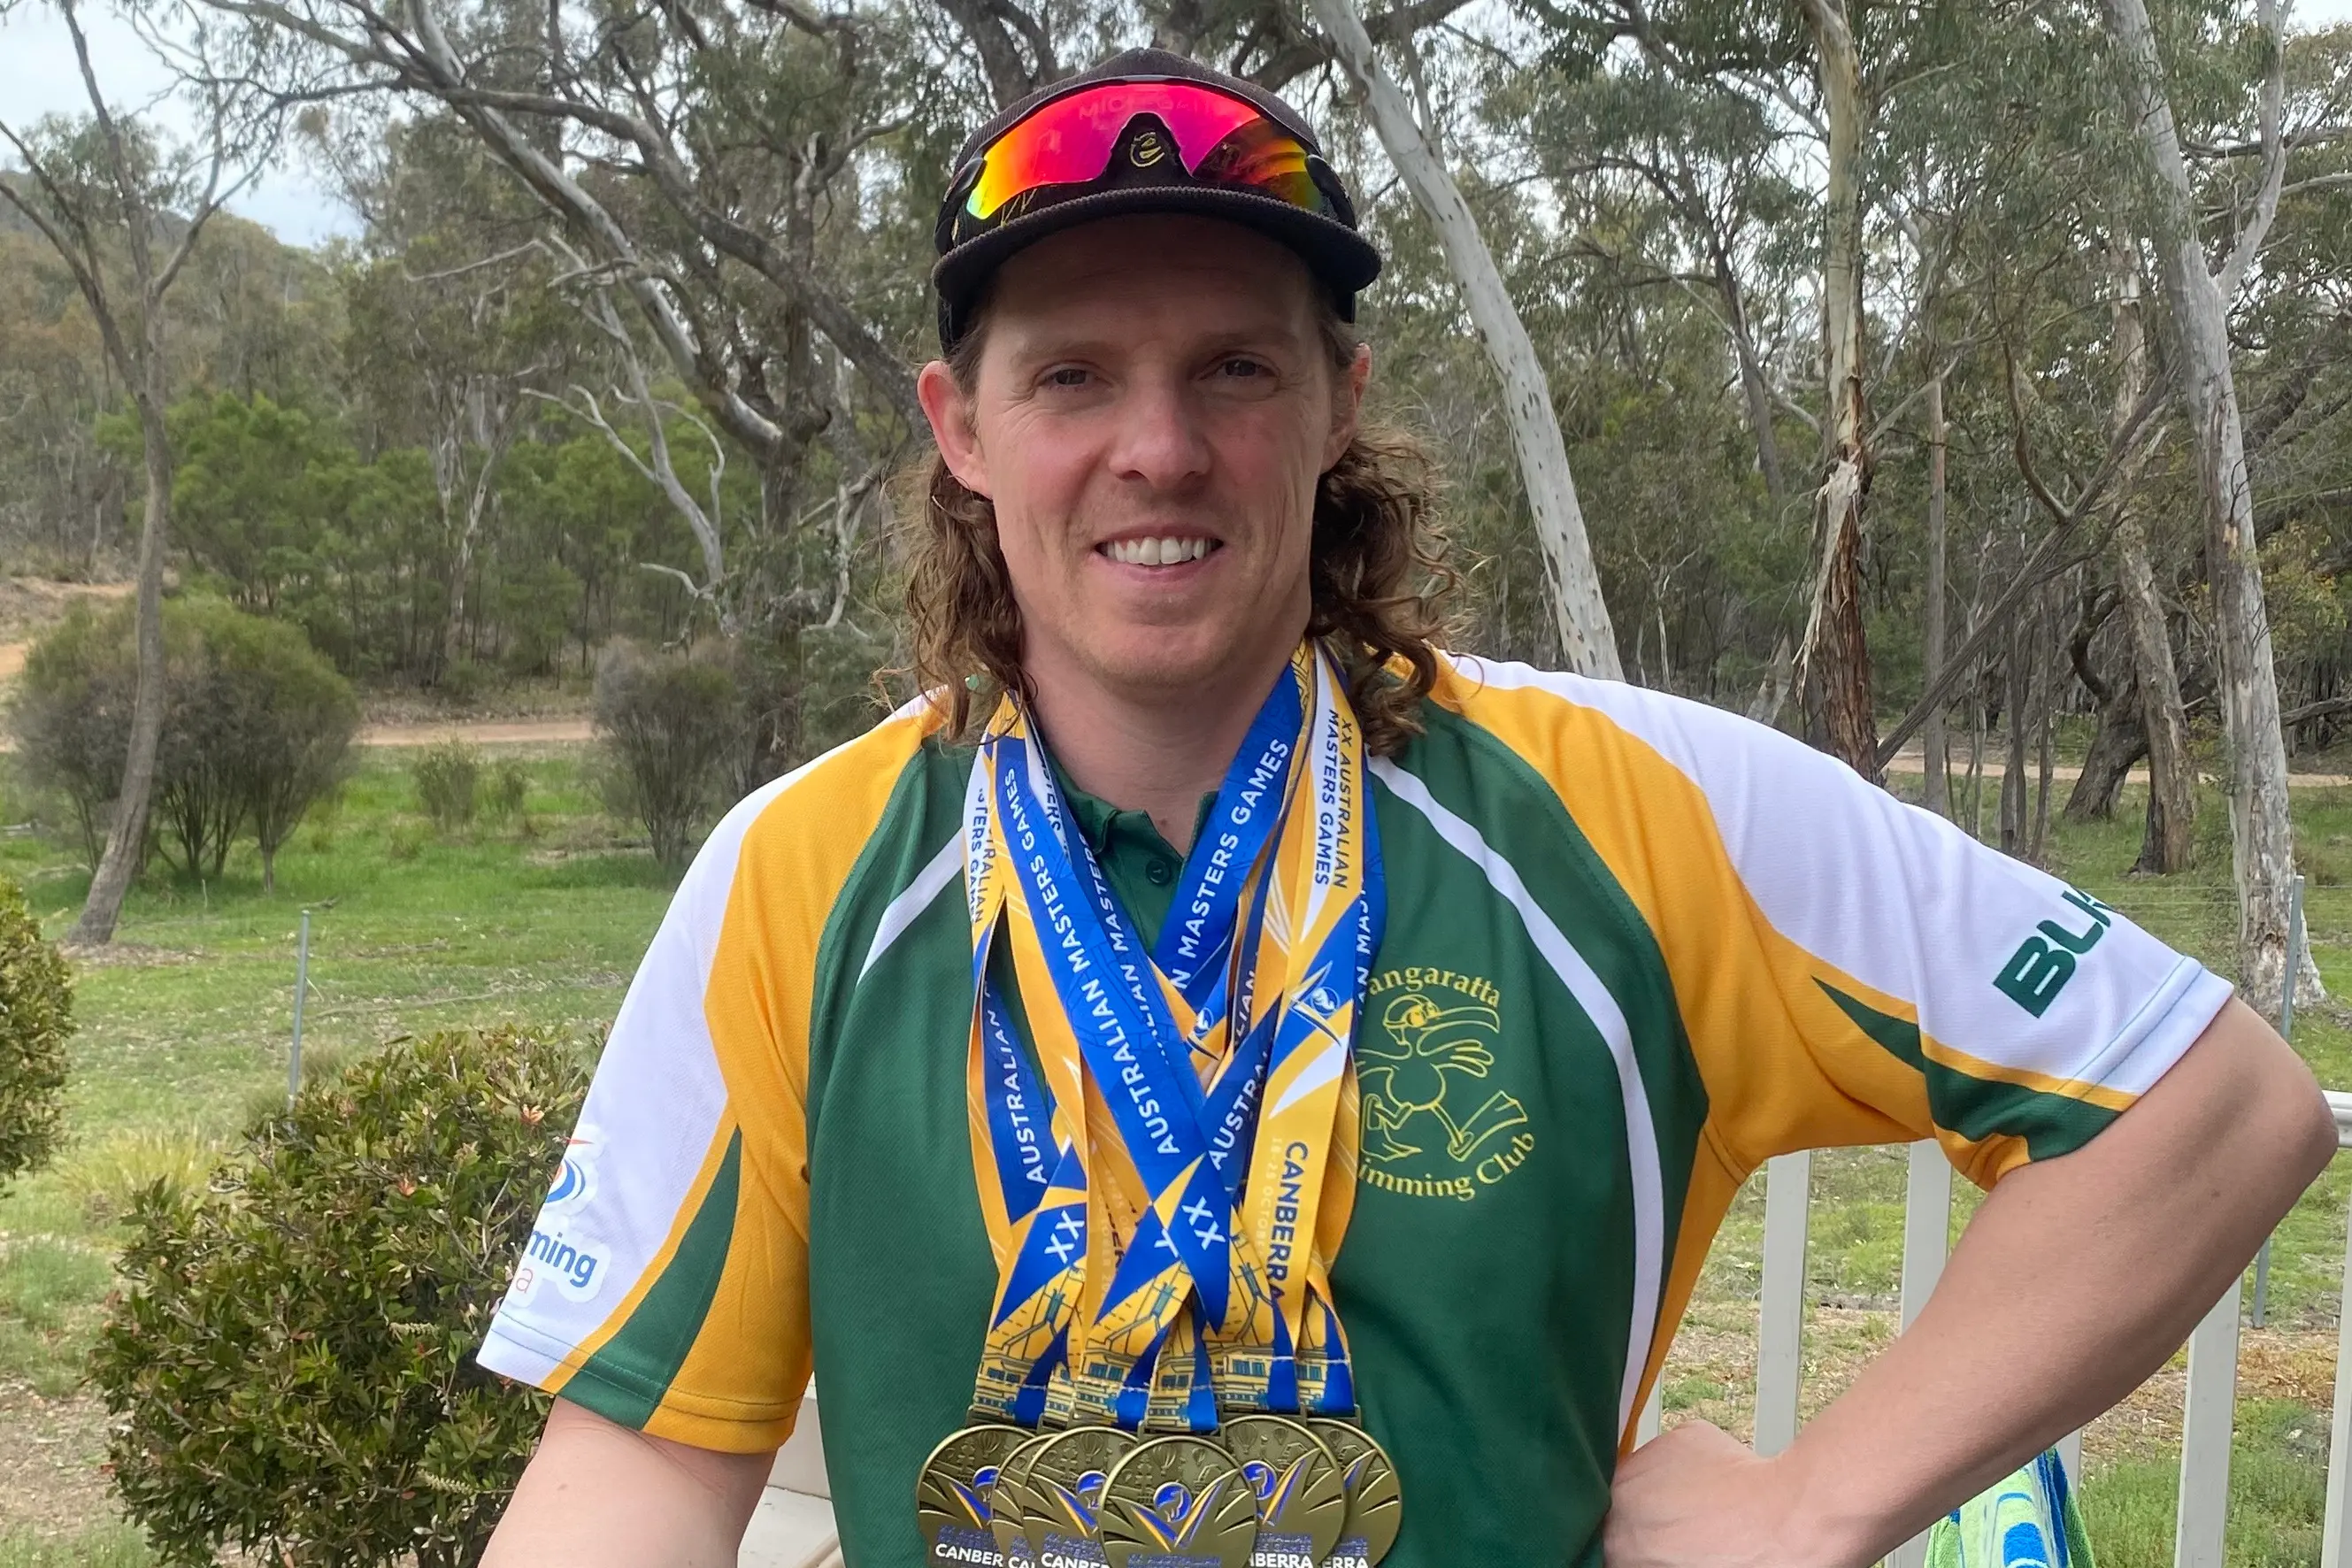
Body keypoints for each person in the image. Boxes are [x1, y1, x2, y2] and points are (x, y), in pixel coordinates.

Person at [475, 47, 2336, 1568]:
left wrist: (1809, 1506)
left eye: (1235, 367)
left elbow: (2211, 1101)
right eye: (1072, 377)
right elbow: (645, 1462)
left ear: (1340, 404)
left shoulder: (1627, 811)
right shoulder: (801, 876)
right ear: (960, 431)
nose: (1161, 446)